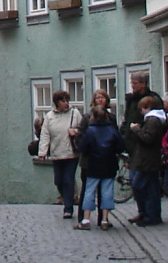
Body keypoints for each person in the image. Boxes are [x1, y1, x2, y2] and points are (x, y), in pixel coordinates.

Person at [74, 97, 125, 231]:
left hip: (93, 165)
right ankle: (104, 219)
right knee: (107, 192)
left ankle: (85, 219)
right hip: (109, 164)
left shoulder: (90, 131)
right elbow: (120, 147)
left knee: (89, 191)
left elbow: (83, 147)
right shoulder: (112, 130)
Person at [121, 71, 163, 222]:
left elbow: (156, 125)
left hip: (146, 147)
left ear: (143, 84)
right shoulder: (132, 100)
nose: (132, 86)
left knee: (144, 184)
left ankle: (150, 213)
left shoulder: (153, 100)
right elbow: (127, 119)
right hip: (134, 145)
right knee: (144, 183)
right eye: (132, 83)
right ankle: (144, 212)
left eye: (135, 83)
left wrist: (137, 130)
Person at [38, 90, 79, 220]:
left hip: (71, 153)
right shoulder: (49, 116)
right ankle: (68, 197)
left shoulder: (75, 113)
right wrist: (42, 152)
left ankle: (68, 208)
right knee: (58, 181)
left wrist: (76, 131)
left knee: (68, 180)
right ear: (57, 102)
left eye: (67, 100)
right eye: (63, 101)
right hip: (57, 153)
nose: (66, 103)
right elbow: (45, 134)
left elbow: (84, 128)